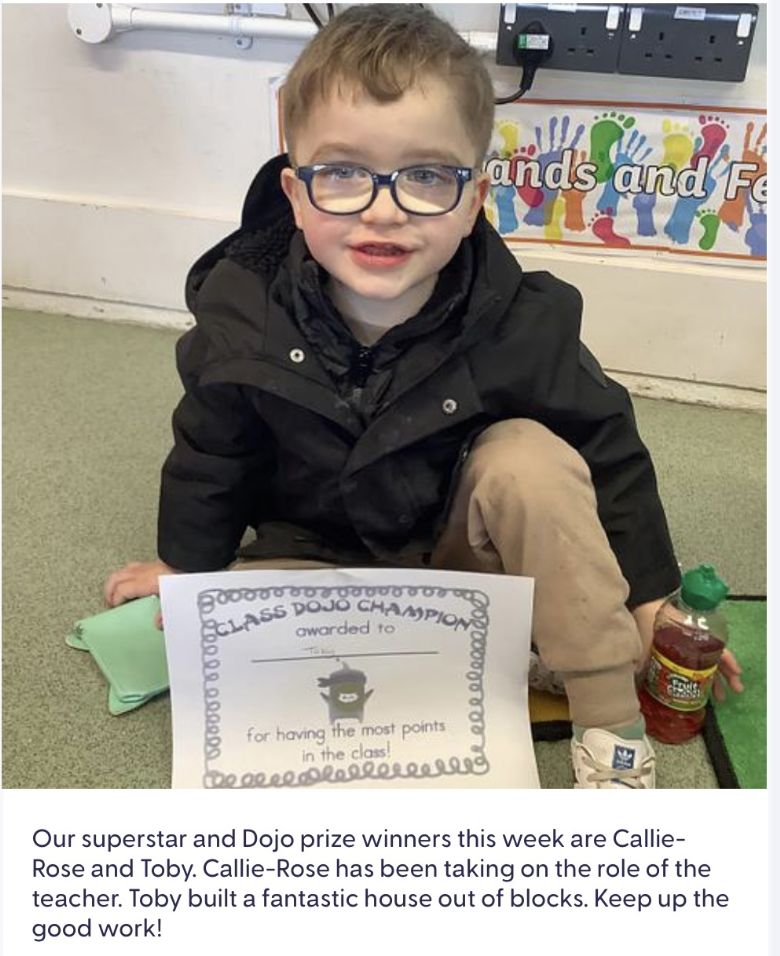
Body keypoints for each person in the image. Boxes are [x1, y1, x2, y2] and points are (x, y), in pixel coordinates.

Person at [105, 4, 742, 787]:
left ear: (474, 199)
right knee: (238, 662)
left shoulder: (524, 321)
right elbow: (211, 450)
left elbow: (608, 450)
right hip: (310, 549)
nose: (384, 208)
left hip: (459, 554)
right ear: (295, 194)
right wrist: (184, 564)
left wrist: (647, 600)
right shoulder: (242, 311)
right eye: (343, 172)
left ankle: (607, 721)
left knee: (532, 462)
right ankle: (496, 656)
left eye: (427, 176)